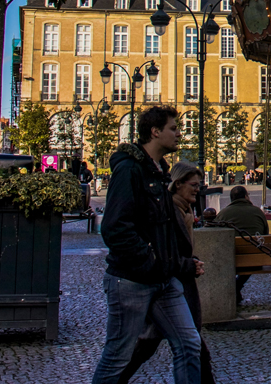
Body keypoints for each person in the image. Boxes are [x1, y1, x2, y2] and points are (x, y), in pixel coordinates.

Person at [93, 106, 201, 384]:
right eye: (173, 128)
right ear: (155, 132)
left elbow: (163, 229)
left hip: (162, 279)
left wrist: (179, 264)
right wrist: (150, 261)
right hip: (132, 281)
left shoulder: (158, 172)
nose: (179, 133)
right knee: (117, 355)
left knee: (189, 344)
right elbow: (114, 228)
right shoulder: (130, 170)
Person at [216, 185, 269, 303]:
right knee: (249, 259)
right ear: (246, 197)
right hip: (256, 259)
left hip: (231, 258)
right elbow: (266, 234)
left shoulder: (223, 214)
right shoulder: (257, 212)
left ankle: (235, 288)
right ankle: (237, 287)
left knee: (228, 260)